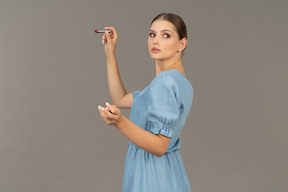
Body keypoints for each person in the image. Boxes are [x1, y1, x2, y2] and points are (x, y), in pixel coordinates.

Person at [98, 13, 193, 192]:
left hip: (152, 175)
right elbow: (120, 99)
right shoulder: (179, 81)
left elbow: (159, 146)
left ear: (182, 44)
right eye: (152, 34)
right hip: (169, 171)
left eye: (166, 35)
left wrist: (120, 122)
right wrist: (110, 53)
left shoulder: (165, 82)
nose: (156, 41)